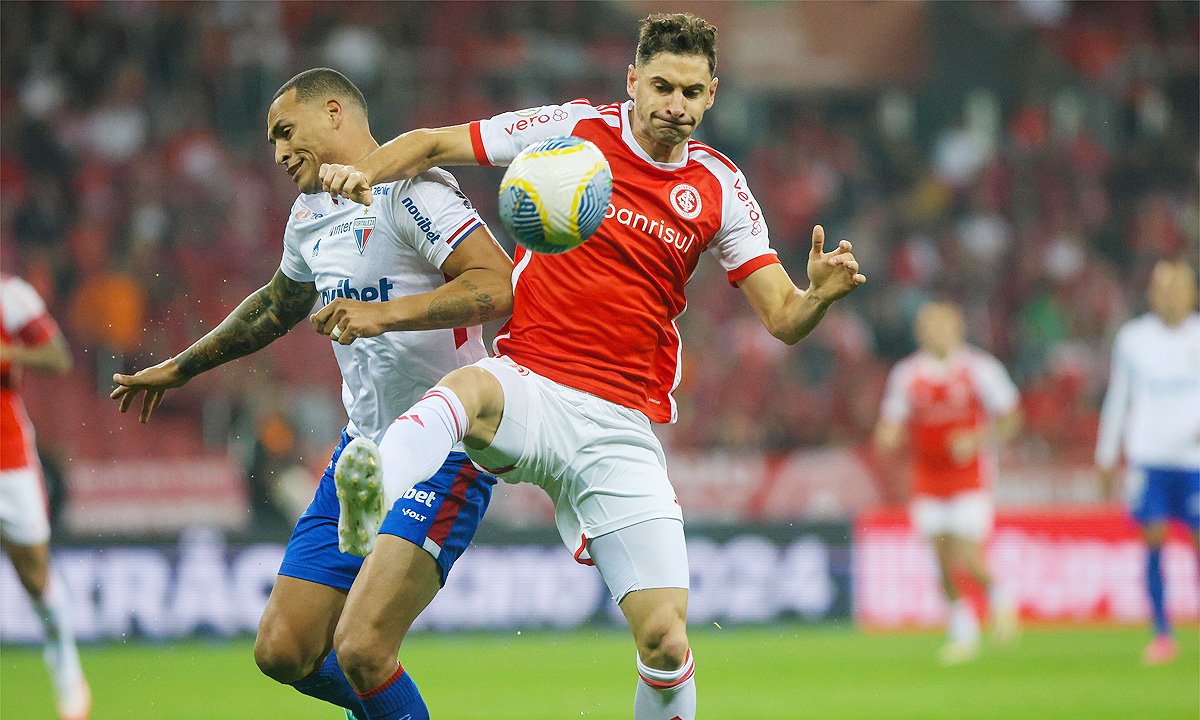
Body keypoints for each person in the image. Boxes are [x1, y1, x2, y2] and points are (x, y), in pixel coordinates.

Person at [318, 13, 866, 720]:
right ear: (632, 81)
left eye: (691, 92)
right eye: (662, 86)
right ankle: (374, 494)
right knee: (467, 392)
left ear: (712, 94)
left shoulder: (720, 188)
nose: (676, 105)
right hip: (532, 382)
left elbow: (784, 318)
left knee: (666, 641)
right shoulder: (573, 130)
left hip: (619, 427)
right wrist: (361, 172)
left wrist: (818, 296)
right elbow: (433, 143)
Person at [109, 68, 514, 720]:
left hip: (447, 445)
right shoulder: (308, 215)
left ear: (333, 112)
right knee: (284, 650)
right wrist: (183, 367)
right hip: (362, 455)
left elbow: (497, 285)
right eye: (271, 141)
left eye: (284, 131)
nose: (277, 152)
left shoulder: (414, 192)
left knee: (363, 649)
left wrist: (384, 315)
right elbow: (277, 305)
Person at [873, 301, 1021, 665]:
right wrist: (888, 435)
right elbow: (891, 421)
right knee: (941, 561)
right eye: (930, 327)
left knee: (966, 554)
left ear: (958, 329)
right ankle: (963, 631)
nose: (937, 333)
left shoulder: (981, 369)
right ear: (920, 333)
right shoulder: (907, 375)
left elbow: (1012, 418)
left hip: (970, 478)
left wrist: (977, 439)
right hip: (927, 480)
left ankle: (1000, 601)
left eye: (943, 326)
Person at [1095, 259, 1200, 666]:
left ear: (1192, 293)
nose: (1170, 296)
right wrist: (1106, 454)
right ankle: (1161, 632)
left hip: (1194, 460)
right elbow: (1118, 397)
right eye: (1163, 288)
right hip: (1148, 457)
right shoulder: (1133, 338)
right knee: (1153, 539)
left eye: (1178, 288)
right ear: (1151, 294)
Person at [0, 274, 90, 720]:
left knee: (35, 577)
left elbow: (58, 357)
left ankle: (65, 665)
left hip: (7, 459)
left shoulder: (9, 296)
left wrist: (9, 353)